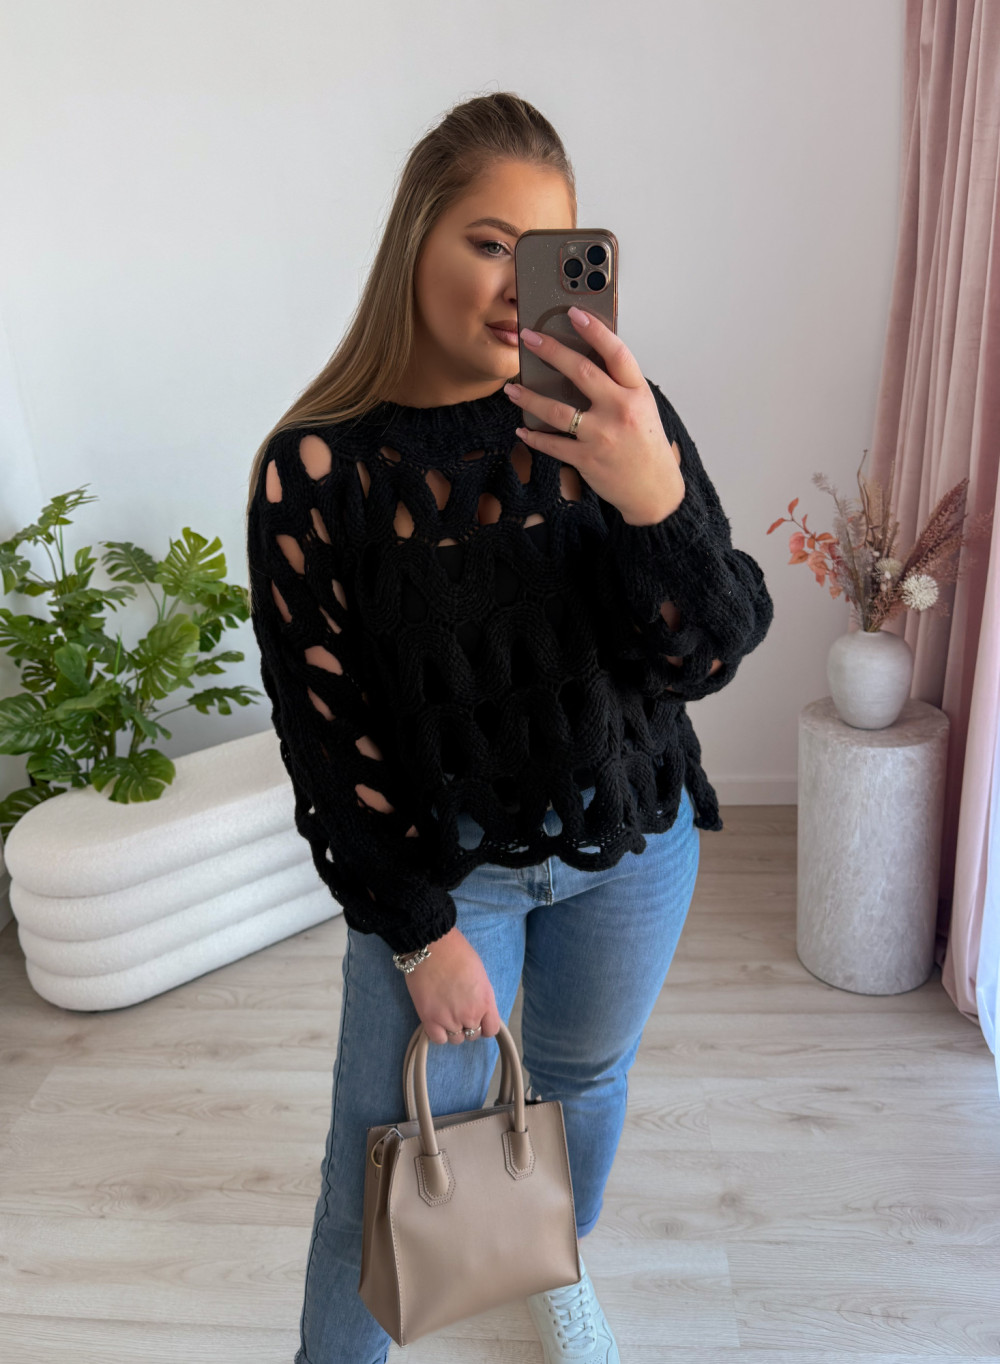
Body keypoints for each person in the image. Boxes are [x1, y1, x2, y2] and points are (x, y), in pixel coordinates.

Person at [245, 91, 773, 1364]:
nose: (511, 286)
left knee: (582, 1084)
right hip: (445, 872)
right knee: (374, 1165)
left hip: (631, 839)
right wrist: (421, 934)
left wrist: (652, 497)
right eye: (488, 242)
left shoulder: (618, 417)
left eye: (541, 253)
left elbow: (706, 650)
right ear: (415, 236)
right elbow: (328, 739)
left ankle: (552, 1258)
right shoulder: (316, 472)